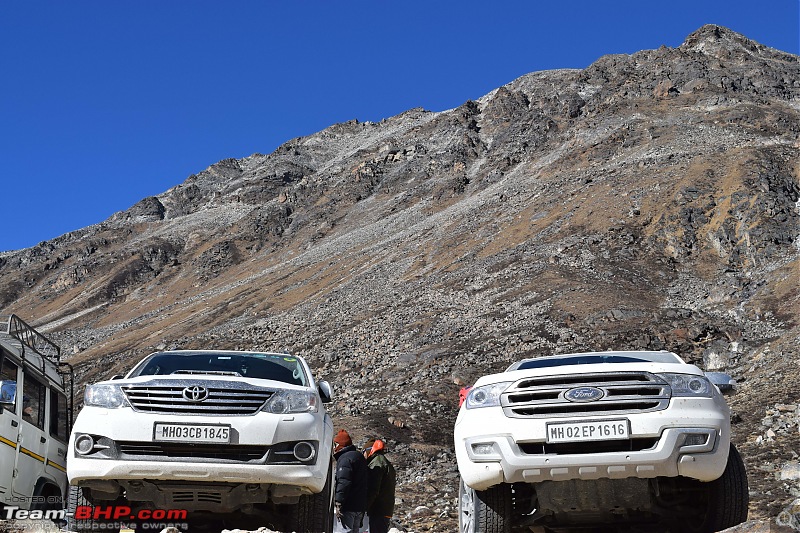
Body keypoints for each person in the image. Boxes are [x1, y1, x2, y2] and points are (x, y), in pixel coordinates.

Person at [333, 429, 368, 533]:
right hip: (359, 506)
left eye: (335, 445)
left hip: (348, 506)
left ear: (339, 445)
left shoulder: (345, 459)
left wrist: (339, 501)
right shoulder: (359, 457)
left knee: (344, 531)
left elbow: (344, 482)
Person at [362, 438, 397, 533]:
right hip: (384, 509)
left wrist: (364, 506)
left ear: (369, 450)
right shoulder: (385, 462)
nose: (363, 455)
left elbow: (373, 488)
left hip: (377, 509)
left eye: (363, 451)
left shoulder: (376, 463)